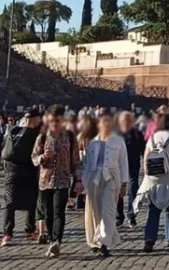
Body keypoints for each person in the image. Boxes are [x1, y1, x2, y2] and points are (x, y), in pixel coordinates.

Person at [31, 105, 82, 258]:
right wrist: (43, 157)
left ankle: (56, 241)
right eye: (52, 120)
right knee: (48, 213)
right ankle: (52, 239)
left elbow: (76, 161)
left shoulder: (70, 137)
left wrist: (78, 179)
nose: (55, 123)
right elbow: (34, 157)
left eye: (58, 120)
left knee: (59, 210)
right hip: (45, 180)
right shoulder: (42, 137)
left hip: (63, 180)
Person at [136, 112, 169, 252]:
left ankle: (149, 239)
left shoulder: (153, 137)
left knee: (153, 210)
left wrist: (147, 175)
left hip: (154, 177)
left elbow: (146, 157)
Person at [81, 111, 129, 257]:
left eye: (109, 121)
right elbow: (87, 165)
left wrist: (124, 184)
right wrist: (84, 184)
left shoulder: (118, 141)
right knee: (95, 211)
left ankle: (105, 242)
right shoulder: (93, 143)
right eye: (104, 121)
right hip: (95, 177)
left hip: (112, 178)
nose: (106, 124)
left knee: (108, 211)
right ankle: (95, 241)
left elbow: (123, 163)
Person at [2, 108, 41, 247]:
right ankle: (30, 229)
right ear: (36, 119)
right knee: (32, 200)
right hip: (28, 169)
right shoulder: (36, 133)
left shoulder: (13, 130)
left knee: (9, 202)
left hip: (11, 170)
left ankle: (7, 234)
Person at [115, 111, 145, 229]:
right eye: (123, 121)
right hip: (118, 167)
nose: (126, 123)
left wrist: (146, 162)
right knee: (118, 190)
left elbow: (144, 150)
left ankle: (131, 215)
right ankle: (119, 216)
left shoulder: (137, 133)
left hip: (133, 165)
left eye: (128, 121)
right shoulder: (116, 134)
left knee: (133, 189)